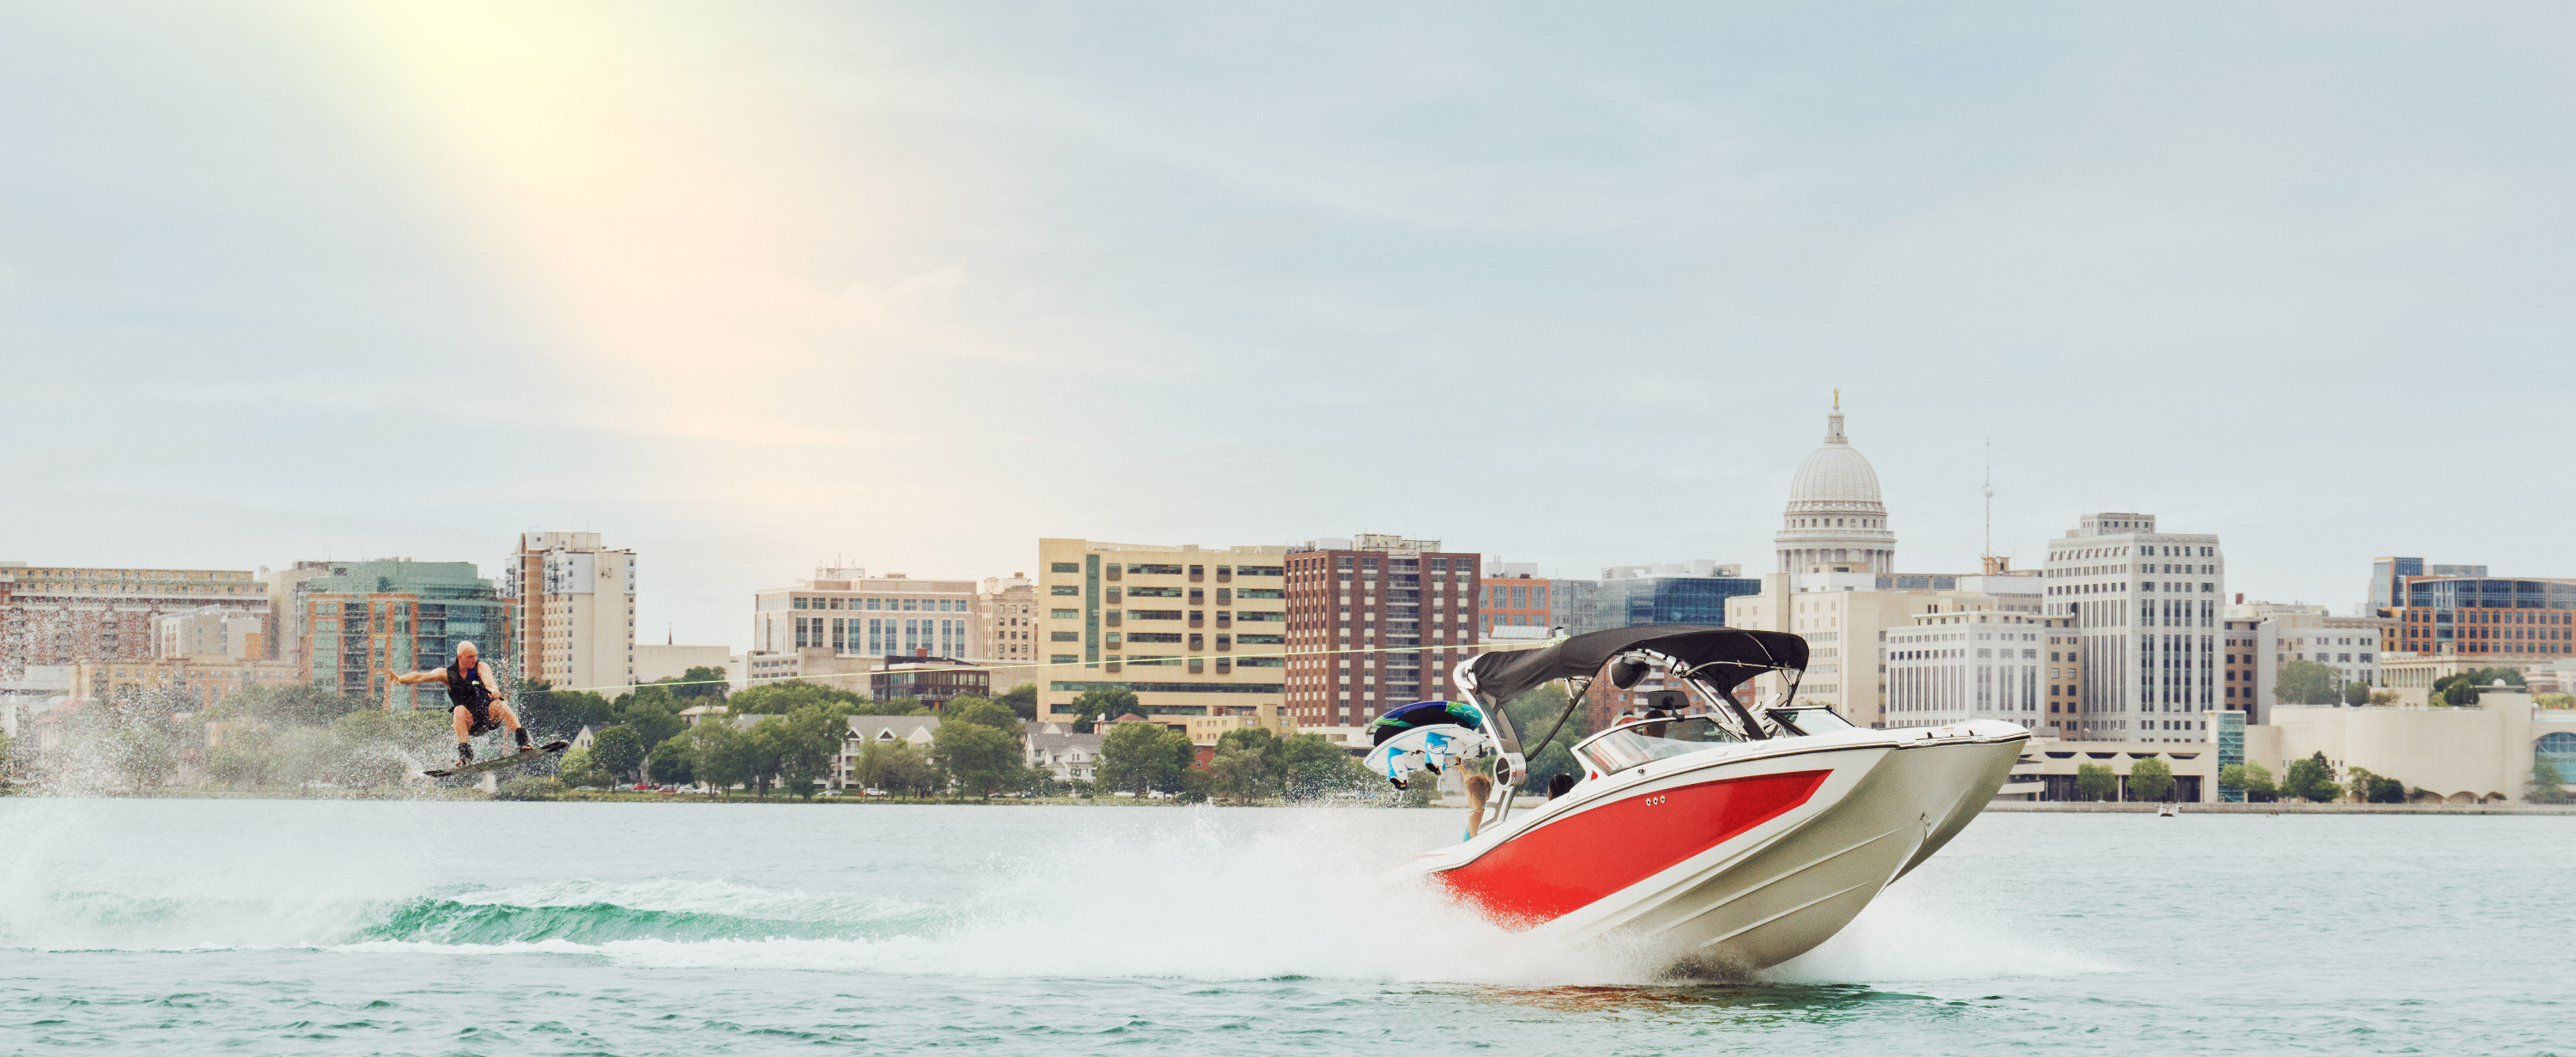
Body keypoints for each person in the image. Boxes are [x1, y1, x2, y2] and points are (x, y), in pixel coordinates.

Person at [390, 641, 530, 767]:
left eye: (475, 655)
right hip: (470, 723)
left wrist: (494, 690)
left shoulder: (481, 667)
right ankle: (465, 755)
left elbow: (490, 682)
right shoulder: (447, 674)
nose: (474, 659)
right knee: (459, 709)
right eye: (470, 657)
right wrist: (399, 679)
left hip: (487, 718)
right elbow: (420, 676)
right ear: (459, 657)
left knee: (499, 704)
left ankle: (524, 742)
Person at [1462, 772, 1493, 841]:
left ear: (1470, 793)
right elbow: (1467, 778)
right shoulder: (1488, 811)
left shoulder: (1475, 817)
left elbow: (1477, 844)